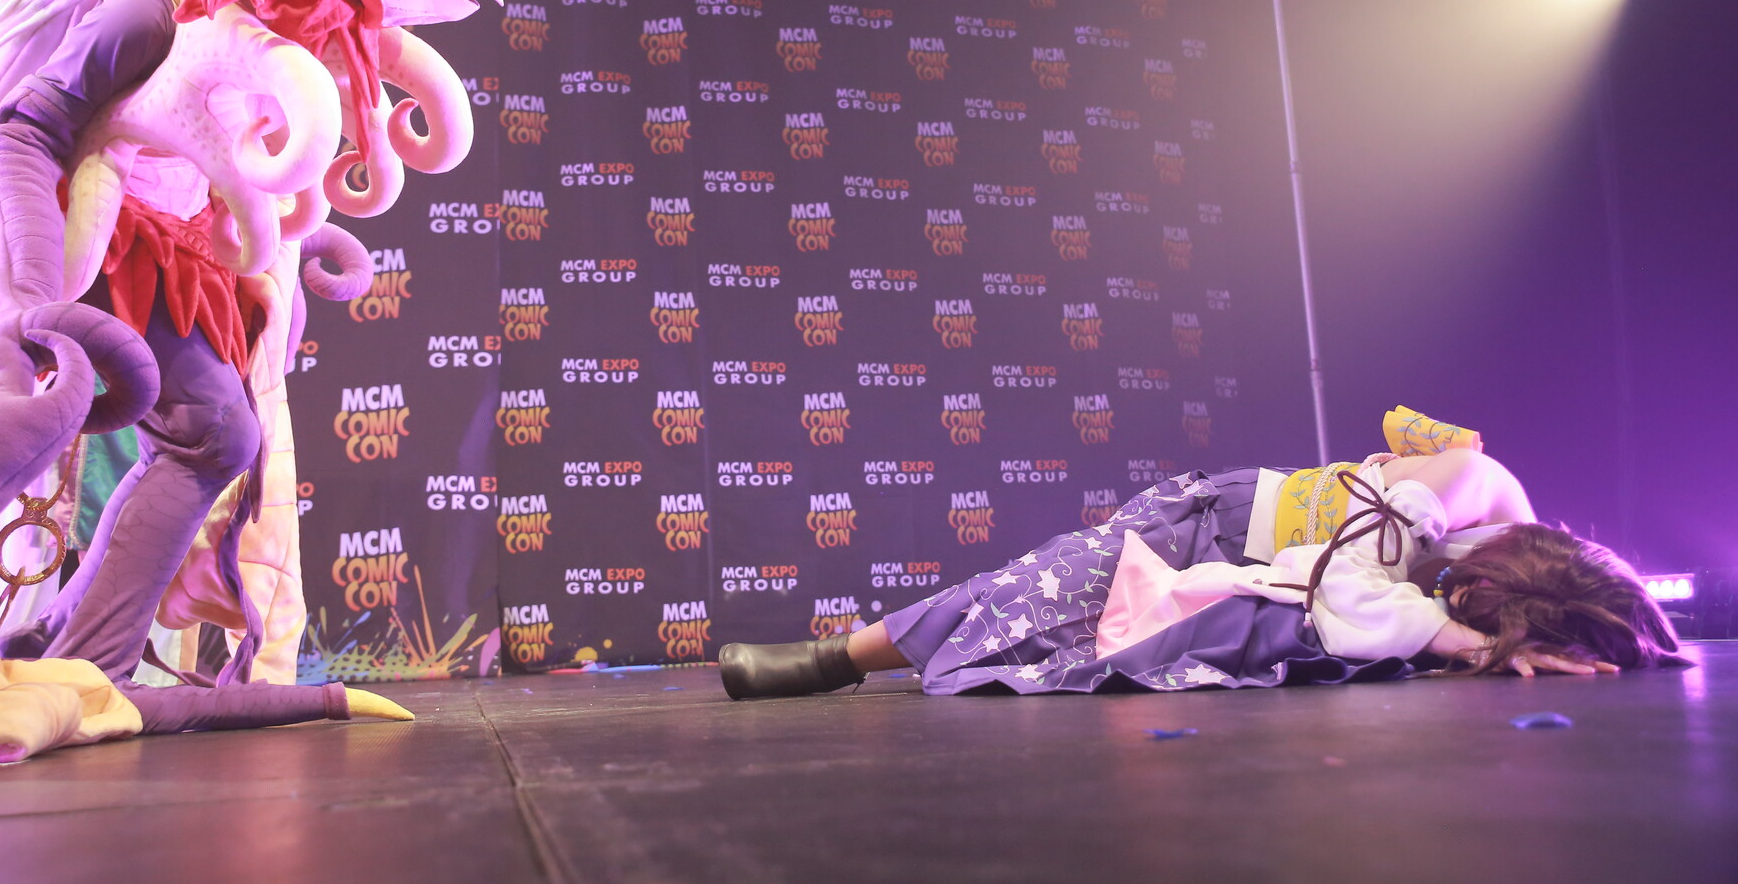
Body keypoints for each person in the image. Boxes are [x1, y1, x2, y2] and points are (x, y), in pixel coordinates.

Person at [717, 435, 1684, 699]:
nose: (1463, 607)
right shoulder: (1474, 484)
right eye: (1481, 608)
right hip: (1212, 524)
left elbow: (1345, 603)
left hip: (1251, 586)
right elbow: (1342, 580)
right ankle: (831, 659)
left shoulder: (1491, 577)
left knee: (1071, 657)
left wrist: (1491, 644)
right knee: (1033, 591)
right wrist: (1462, 636)